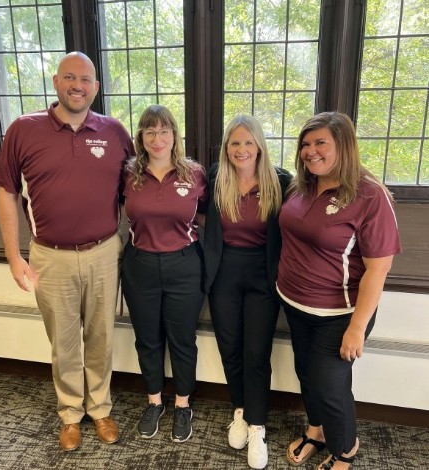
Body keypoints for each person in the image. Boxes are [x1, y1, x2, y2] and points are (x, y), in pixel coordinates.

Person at [0, 51, 135, 452]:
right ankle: (71, 413)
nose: (78, 85)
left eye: (86, 79)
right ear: (56, 81)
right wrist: (14, 256)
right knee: (64, 341)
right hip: (48, 256)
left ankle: (100, 408)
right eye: (70, 77)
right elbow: (5, 192)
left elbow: (137, 188)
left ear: (96, 87)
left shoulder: (114, 131)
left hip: (105, 251)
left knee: (101, 336)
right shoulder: (23, 128)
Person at [277, 112, 401, 470]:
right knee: (306, 374)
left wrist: (357, 328)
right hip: (295, 302)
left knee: (331, 386)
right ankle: (316, 431)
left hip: (339, 313)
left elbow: (379, 268)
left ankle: (345, 448)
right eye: (305, 144)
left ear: (343, 146)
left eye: (320, 144)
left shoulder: (370, 195)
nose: (310, 151)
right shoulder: (302, 186)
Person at [203, 115, 291, 469]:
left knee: (257, 352)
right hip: (224, 271)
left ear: (259, 147)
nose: (242, 149)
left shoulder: (280, 181)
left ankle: (257, 425)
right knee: (230, 347)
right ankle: (239, 410)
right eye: (235, 143)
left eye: (248, 143)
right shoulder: (214, 179)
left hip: (262, 274)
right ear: (227, 147)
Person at [120, 104, 207, 443]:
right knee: (148, 338)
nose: (158, 138)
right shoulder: (127, 173)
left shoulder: (194, 173)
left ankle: (183, 405)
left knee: (182, 339)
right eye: (150, 131)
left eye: (165, 131)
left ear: (175, 135)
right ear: (141, 136)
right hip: (139, 265)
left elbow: (212, 215)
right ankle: (154, 401)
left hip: (184, 266)